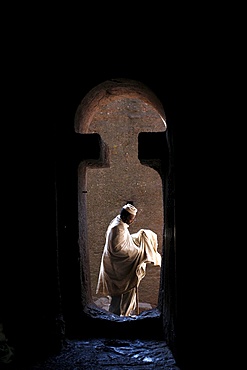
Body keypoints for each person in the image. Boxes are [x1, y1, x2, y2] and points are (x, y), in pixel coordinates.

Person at [96, 203, 161, 317]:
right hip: (118, 270)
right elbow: (118, 250)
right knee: (118, 299)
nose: (132, 221)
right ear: (125, 217)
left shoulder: (120, 223)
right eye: (131, 219)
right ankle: (117, 320)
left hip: (120, 269)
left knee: (143, 235)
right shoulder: (117, 228)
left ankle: (123, 316)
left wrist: (137, 238)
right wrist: (138, 252)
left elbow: (124, 241)